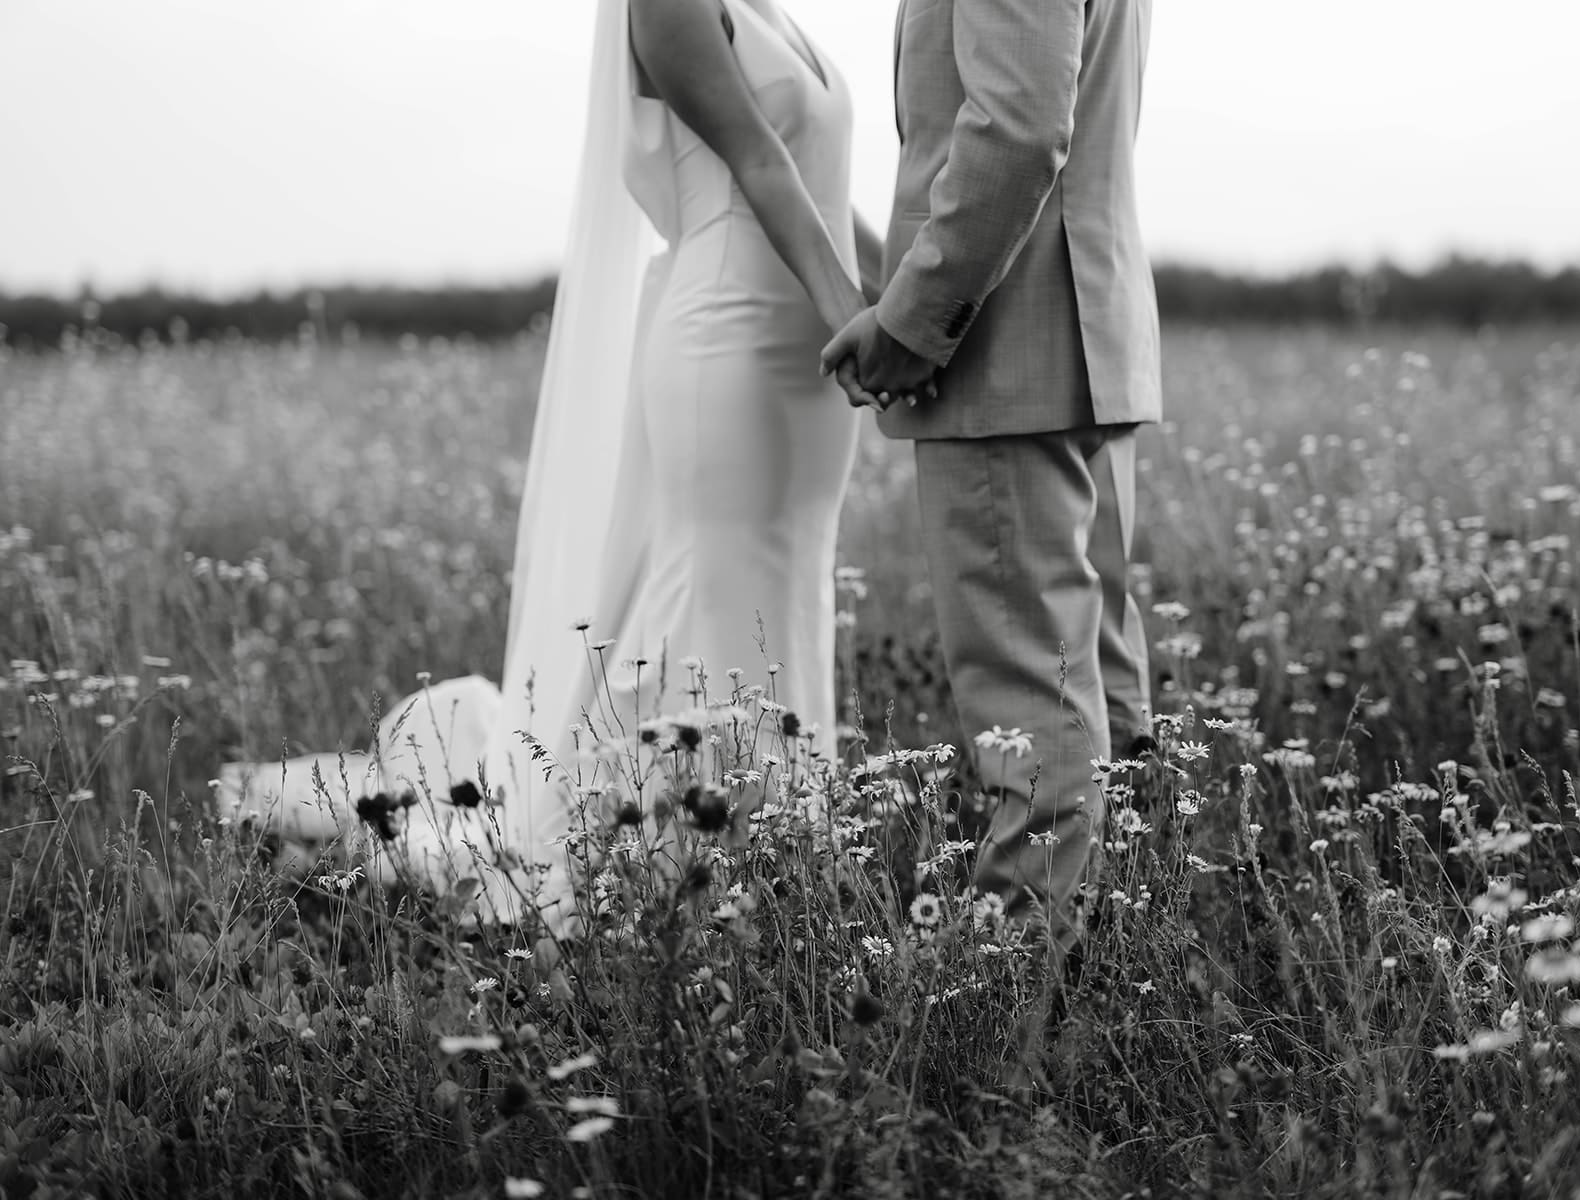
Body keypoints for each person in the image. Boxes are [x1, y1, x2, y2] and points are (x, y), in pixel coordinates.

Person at [229, 0, 904, 925]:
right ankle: (661, 867)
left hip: (806, 359)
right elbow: (758, 162)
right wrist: (849, 317)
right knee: (714, 595)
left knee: (782, 594)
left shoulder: (775, 14)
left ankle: (777, 848)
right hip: (730, 338)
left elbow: (824, 190)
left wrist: (897, 306)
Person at [822, 0, 1161, 940]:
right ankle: (1121, 1000)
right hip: (1085, 340)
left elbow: (1016, 127)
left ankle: (1010, 1037)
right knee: (1103, 709)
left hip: (1010, 361)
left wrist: (909, 318)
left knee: (1035, 726)